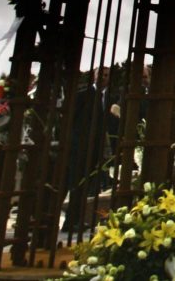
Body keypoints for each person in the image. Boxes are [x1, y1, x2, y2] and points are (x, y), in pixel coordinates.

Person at [63, 66, 114, 231]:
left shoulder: (110, 97)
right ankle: (70, 221)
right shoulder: (82, 95)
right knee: (76, 185)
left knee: (87, 187)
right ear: (94, 76)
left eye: (106, 75)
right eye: (101, 75)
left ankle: (76, 219)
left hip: (95, 149)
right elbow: (70, 120)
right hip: (79, 148)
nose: (103, 78)